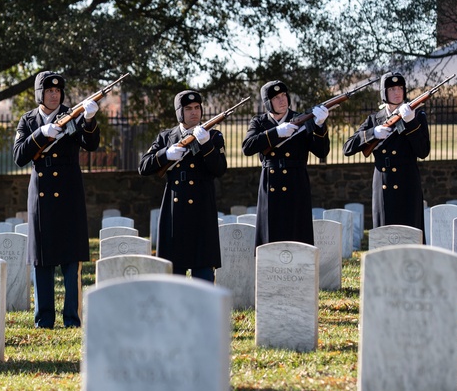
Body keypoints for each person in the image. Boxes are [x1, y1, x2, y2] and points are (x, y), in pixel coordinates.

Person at [12, 71, 100, 328]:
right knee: (42, 257)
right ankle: (44, 318)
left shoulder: (72, 115)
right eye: (49, 91)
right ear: (40, 93)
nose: (54, 94)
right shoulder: (28, 120)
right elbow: (18, 156)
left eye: (58, 91)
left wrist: (90, 119)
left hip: (69, 190)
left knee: (71, 258)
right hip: (41, 192)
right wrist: (41, 134)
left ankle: (72, 318)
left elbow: (90, 143)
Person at [137, 90, 227, 281]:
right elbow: (143, 166)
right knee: (174, 273)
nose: (194, 112)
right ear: (180, 112)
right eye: (188, 109)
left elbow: (219, 169)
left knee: (203, 273)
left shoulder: (214, 136)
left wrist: (206, 144)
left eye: (197, 108)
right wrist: (165, 155)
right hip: (175, 210)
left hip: (202, 209)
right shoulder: (166, 137)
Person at [242, 80, 330, 248]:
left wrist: (319, 126)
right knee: (271, 236)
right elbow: (247, 147)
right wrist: (276, 133)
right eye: (276, 98)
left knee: (297, 235)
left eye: (284, 95)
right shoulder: (259, 122)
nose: (282, 100)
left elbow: (322, 152)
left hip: (296, 182)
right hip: (271, 183)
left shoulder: (302, 119)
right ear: (268, 103)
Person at [343, 72, 429, 235]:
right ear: (384, 93)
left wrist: (411, 123)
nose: (397, 93)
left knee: (410, 230)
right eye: (392, 89)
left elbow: (423, 151)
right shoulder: (374, 120)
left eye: (400, 88)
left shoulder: (416, 115)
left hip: (407, 182)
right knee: (385, 232)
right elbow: (347, 148)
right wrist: (372, 134)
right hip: (383, 181)